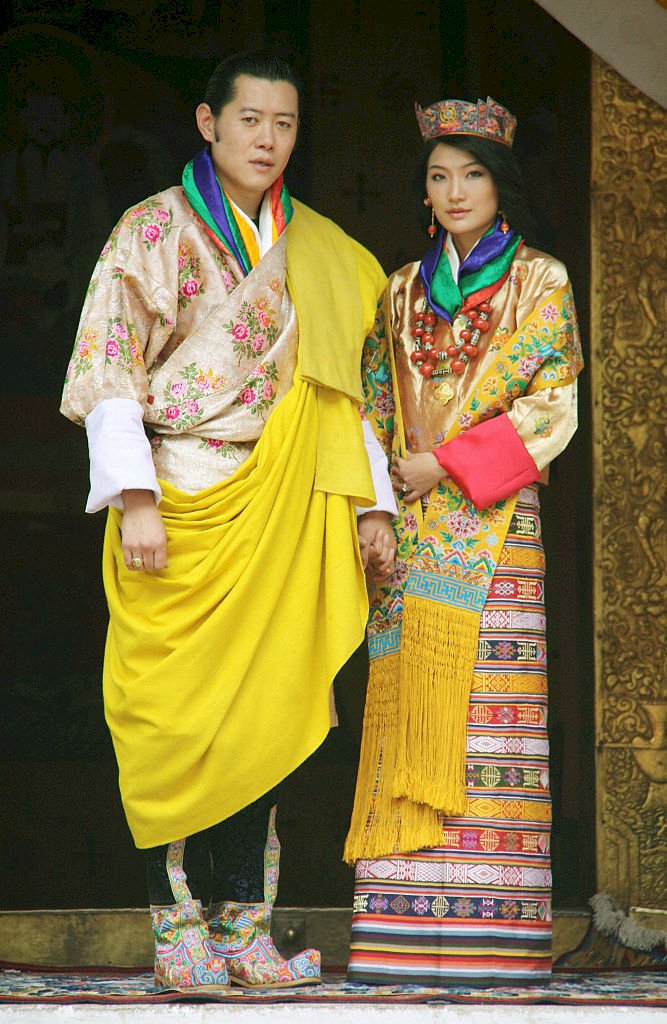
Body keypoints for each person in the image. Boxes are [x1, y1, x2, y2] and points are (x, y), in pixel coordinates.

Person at [60, 50, 395, 992]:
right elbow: (110, 368)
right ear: (209, 123)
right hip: (177, 492)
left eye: (284, 125)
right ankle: (178, 932)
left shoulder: (316, 248)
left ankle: (245, 932)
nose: (268, 140)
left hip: (283, 501)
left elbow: (342, 393)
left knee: (266, 717)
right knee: (170, 719)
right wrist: (134, 499)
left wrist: (369, 502)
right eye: (251, 120)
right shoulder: (151, 230)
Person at [343, 96, 583, 986]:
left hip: (494, 526)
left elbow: (550, 405)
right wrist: (378, 497)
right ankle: (400, 928)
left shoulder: (542, 280)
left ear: (501, 183)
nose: (454, 191)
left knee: (492, 726)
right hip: (406, 533)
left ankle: (495, 933)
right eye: (439, 176)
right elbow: (369, 402)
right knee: (410, 712)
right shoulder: (400, 288)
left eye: (472, 174)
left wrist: (442, 465)